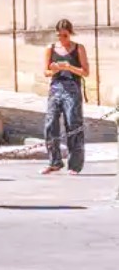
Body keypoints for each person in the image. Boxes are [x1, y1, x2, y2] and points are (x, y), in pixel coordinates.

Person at [41, 18, 89, 175]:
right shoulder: (51, 48)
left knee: (73, 124)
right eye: (59, 36)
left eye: (65, 36)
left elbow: (85, 72)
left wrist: (69, 67)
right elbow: (46, 72)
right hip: (56, 88)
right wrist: (54, 69)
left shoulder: (78, 48)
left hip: (72, 89)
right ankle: (54, 162)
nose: (62, 39)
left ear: (70, 34)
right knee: (50, 124)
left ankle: (75, 165)